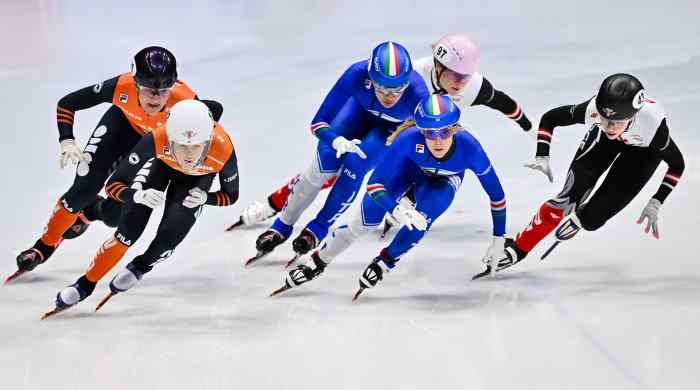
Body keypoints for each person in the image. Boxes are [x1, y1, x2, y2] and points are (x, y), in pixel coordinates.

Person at [230, 33, 531, 230]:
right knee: (330, 165)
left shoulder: (474, 86)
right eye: (454, 75)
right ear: (437, 66)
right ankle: (274, 203)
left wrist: (531, 131)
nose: (459, 83)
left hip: (399, 129)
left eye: (465, 77)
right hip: (373, 115)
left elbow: (504, 103)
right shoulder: (415, 78)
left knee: (365, 165)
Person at [10, 46, 223, 283]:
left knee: (114, 215)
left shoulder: (187, 102)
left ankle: (91, 212)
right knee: (82, 189)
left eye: (163, 90)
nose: (155, 97)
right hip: (119, 130)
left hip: (150, 145)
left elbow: (214, 117)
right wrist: (67, 140)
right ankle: (42, 247)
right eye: (148, 89)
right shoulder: (120, 87)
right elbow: (67, 103)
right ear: (134, 84)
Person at [270, 94, 507, 300]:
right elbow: (375, 184)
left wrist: (499, 238)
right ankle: (319, 260)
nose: (437, 140)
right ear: (420, 130)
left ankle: (386, 261)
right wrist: (393, 208)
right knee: (363, 222)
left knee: (422, 219)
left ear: (454, 129)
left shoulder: (471, 149)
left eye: (444, 132)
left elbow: (496, 196)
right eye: (429, 133)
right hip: (409, 169)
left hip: (443, 180)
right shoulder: (407, 139)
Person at [474, 73, 685, 279]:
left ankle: (584, 217)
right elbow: (550, 118)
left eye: (616, 121)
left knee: (591, 220)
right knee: (566, 201)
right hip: (603, 143)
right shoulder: (595, 111)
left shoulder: (653, 128)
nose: (609, 126)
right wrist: (542, 155)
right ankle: (518, 248)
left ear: (632, 116)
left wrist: (656, 202)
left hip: (643, 153)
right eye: (604, 118)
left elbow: (677, 165)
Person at [41, 100, 239, 318]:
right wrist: (136, 195)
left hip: (196, 182)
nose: (188, 155)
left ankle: (141, 266)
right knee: (128, 230)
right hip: (161, 167)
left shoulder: (223, 148)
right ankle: (85, 284)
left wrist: (206, 198)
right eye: (181, 146)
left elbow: (231, 196)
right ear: (170, 138)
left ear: (208, 140)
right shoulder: (156, 138)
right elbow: (114, 185)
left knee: (170, 237)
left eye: (196, 146)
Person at [247, 41, 430, 265]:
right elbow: (318, 123)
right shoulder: (356, 73)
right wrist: (335, 140)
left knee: (356, 166)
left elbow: (424, 142)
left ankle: (319, 227)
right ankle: (282, 225)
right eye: (381, 88)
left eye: (398, 90)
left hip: (390, 131)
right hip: (356, 114)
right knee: (322, 165)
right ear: (370, 79)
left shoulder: (419, 94)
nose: (389, 97)